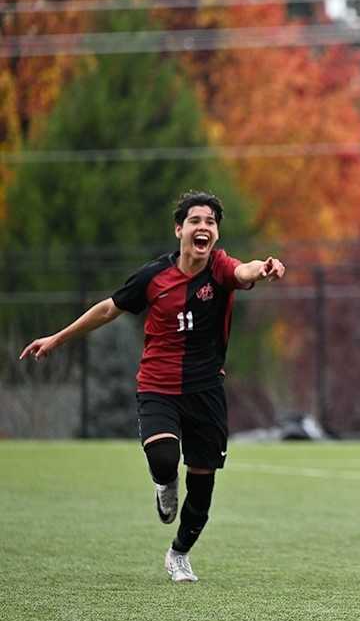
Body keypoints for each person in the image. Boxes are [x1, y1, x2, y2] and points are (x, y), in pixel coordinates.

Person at [20, 191, 285, 583]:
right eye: (195, 221)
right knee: (164, 460)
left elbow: (243, 271)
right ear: (179, 229)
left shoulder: (221, 269)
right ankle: (165, 483)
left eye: (210, 222)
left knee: (203, 487)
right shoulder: (153, 277)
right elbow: (109, 308)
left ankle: (178, 554)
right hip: (158, 385)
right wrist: (58, 339)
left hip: (206, 390)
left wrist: (261, 270)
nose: (203, 228)